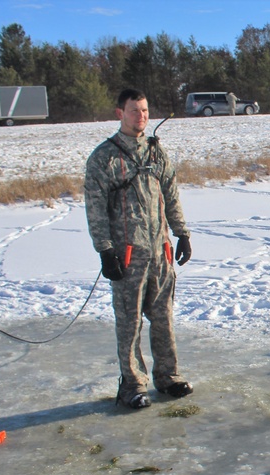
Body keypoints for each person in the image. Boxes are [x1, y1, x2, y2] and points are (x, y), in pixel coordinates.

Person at [84, 88, 194, 410]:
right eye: (135, 111)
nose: (141, 116)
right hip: (127, 254)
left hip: (160, 251)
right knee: (129, 322)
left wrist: (181, 234)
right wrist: (105, 250)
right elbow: (95, 207)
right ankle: (131, 385)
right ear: (120, 113)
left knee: (163, 317)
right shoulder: (105, 157)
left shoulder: (157, 153)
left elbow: (171, 196)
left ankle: (168, 377)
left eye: (145, 110)